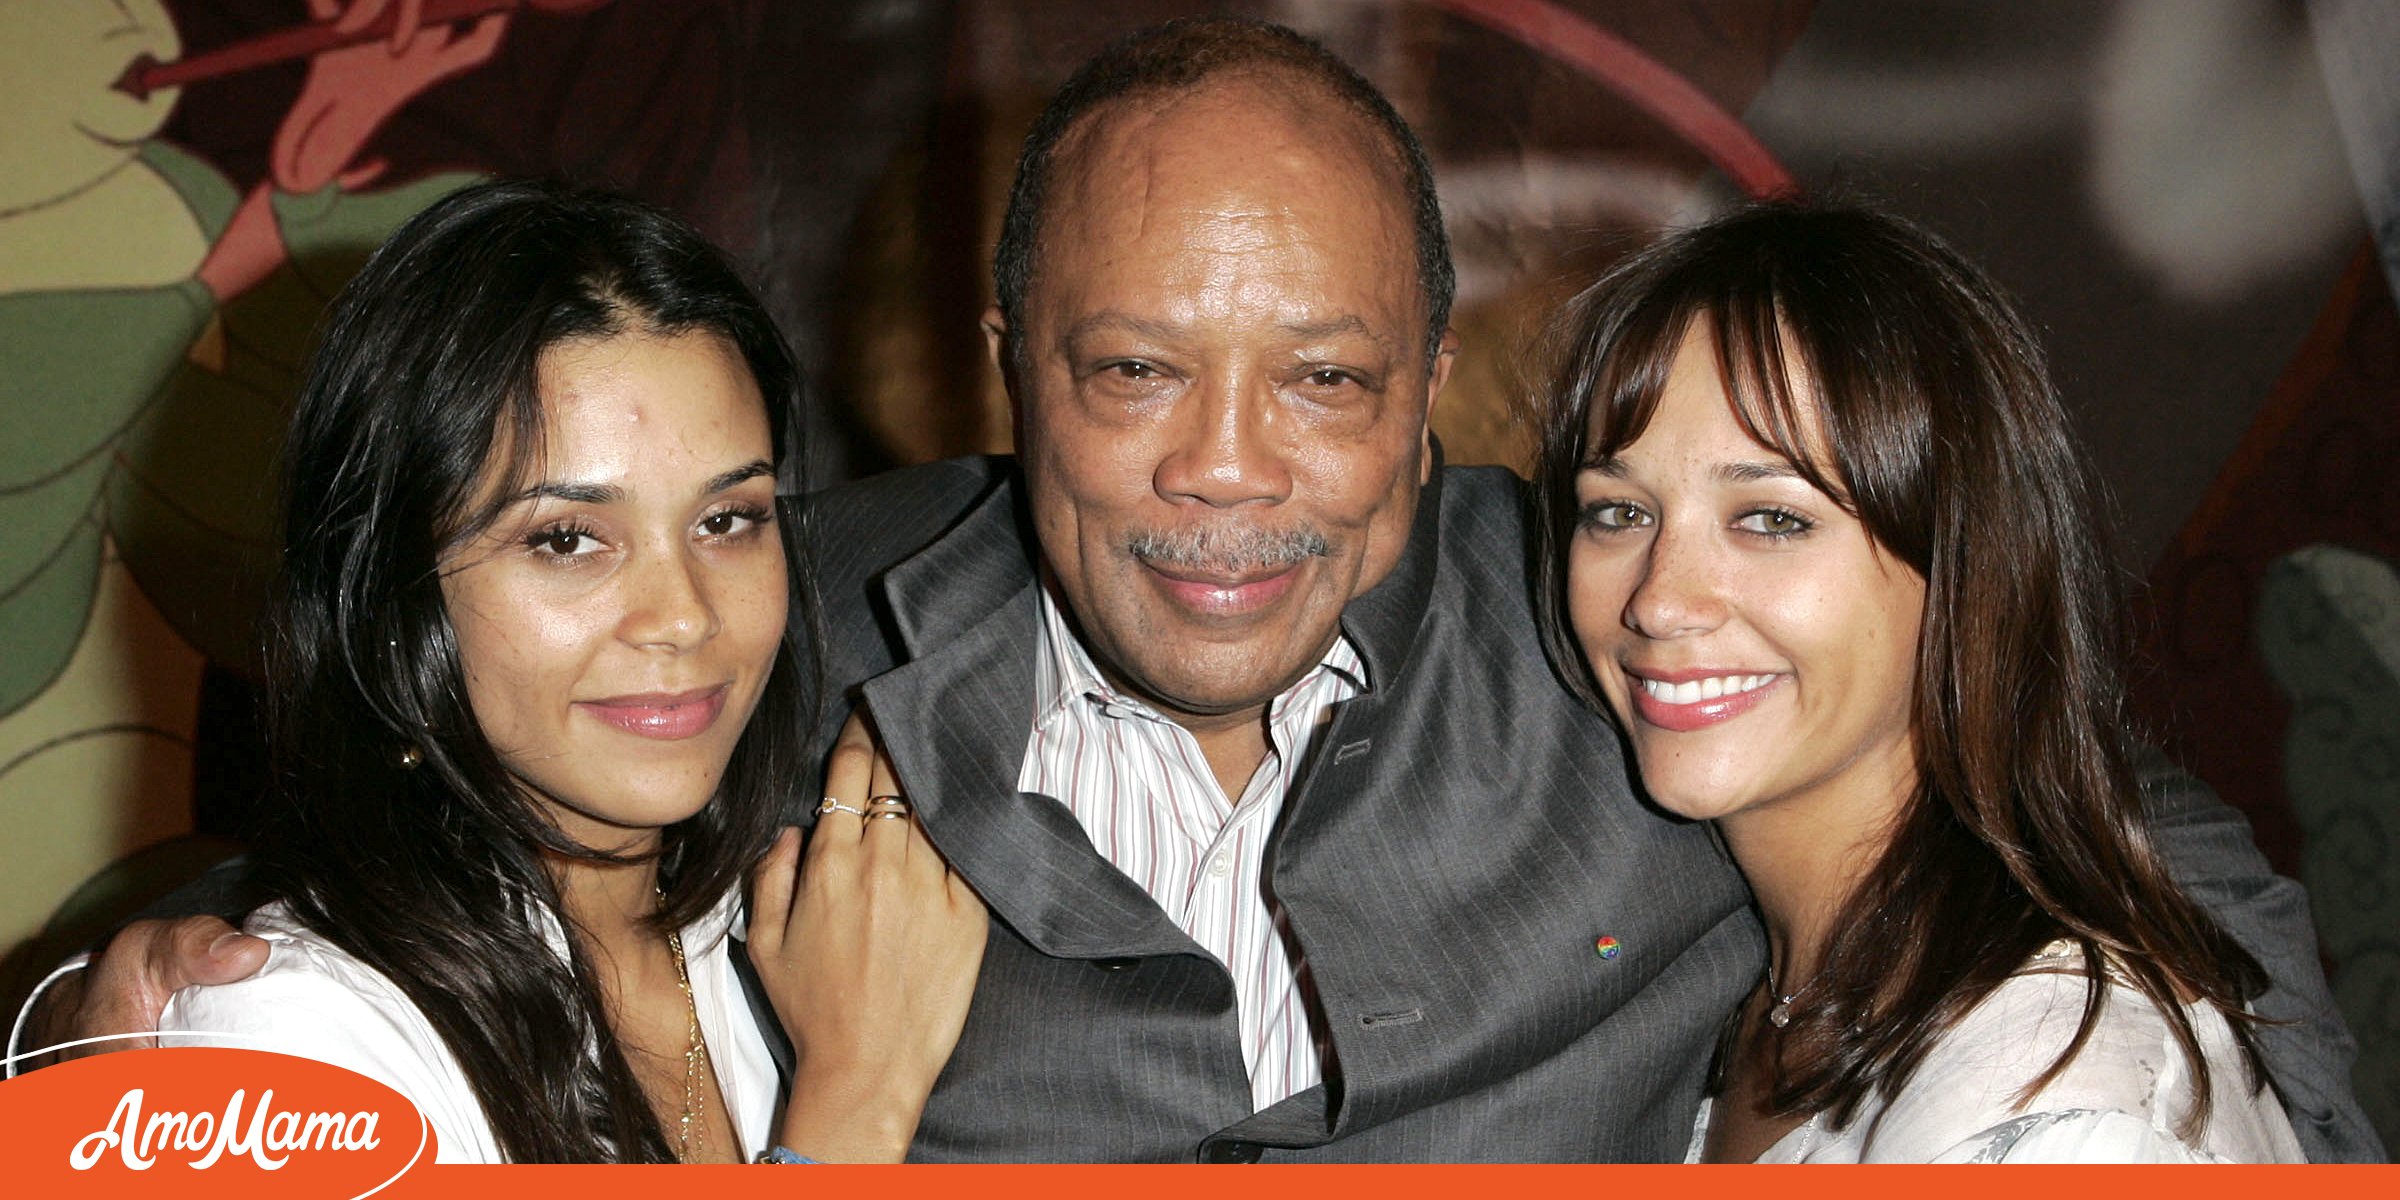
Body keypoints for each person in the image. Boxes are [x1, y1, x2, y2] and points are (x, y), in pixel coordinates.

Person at [21, 18, 2383, 1163]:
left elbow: (2099, 840)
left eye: (1325, 376)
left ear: (1431, 389)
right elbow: (511, 750)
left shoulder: (1639, 653)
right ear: (999, 375)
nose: (1226, 476)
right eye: (1135, 368)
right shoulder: (794, 629)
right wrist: (186, 961)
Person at [148, 180, 982, 1163]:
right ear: (393, 593)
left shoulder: (790, 918)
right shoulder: (287, 1044)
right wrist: (856, 1103)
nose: (683, 615)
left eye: (727, 521)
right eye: (569, 539)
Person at [1530, 200, 2308, 1162]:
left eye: (1772, 519)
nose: (1660, 599)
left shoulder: (2056, 1109)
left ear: (1965, 564)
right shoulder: (1762, 986)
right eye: (1616, 512)